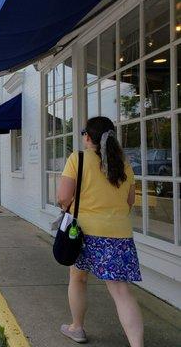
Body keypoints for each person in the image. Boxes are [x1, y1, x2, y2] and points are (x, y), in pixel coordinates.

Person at [57, 116, 143, 346]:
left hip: (84, 232)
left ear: (87, 137)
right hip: (119, 234)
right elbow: (130, 200)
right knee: (121, 291)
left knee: (78, 278)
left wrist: (69, 205)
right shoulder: (124, 164)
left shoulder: (78, 159)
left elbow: (63, 197)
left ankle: (77, 328)